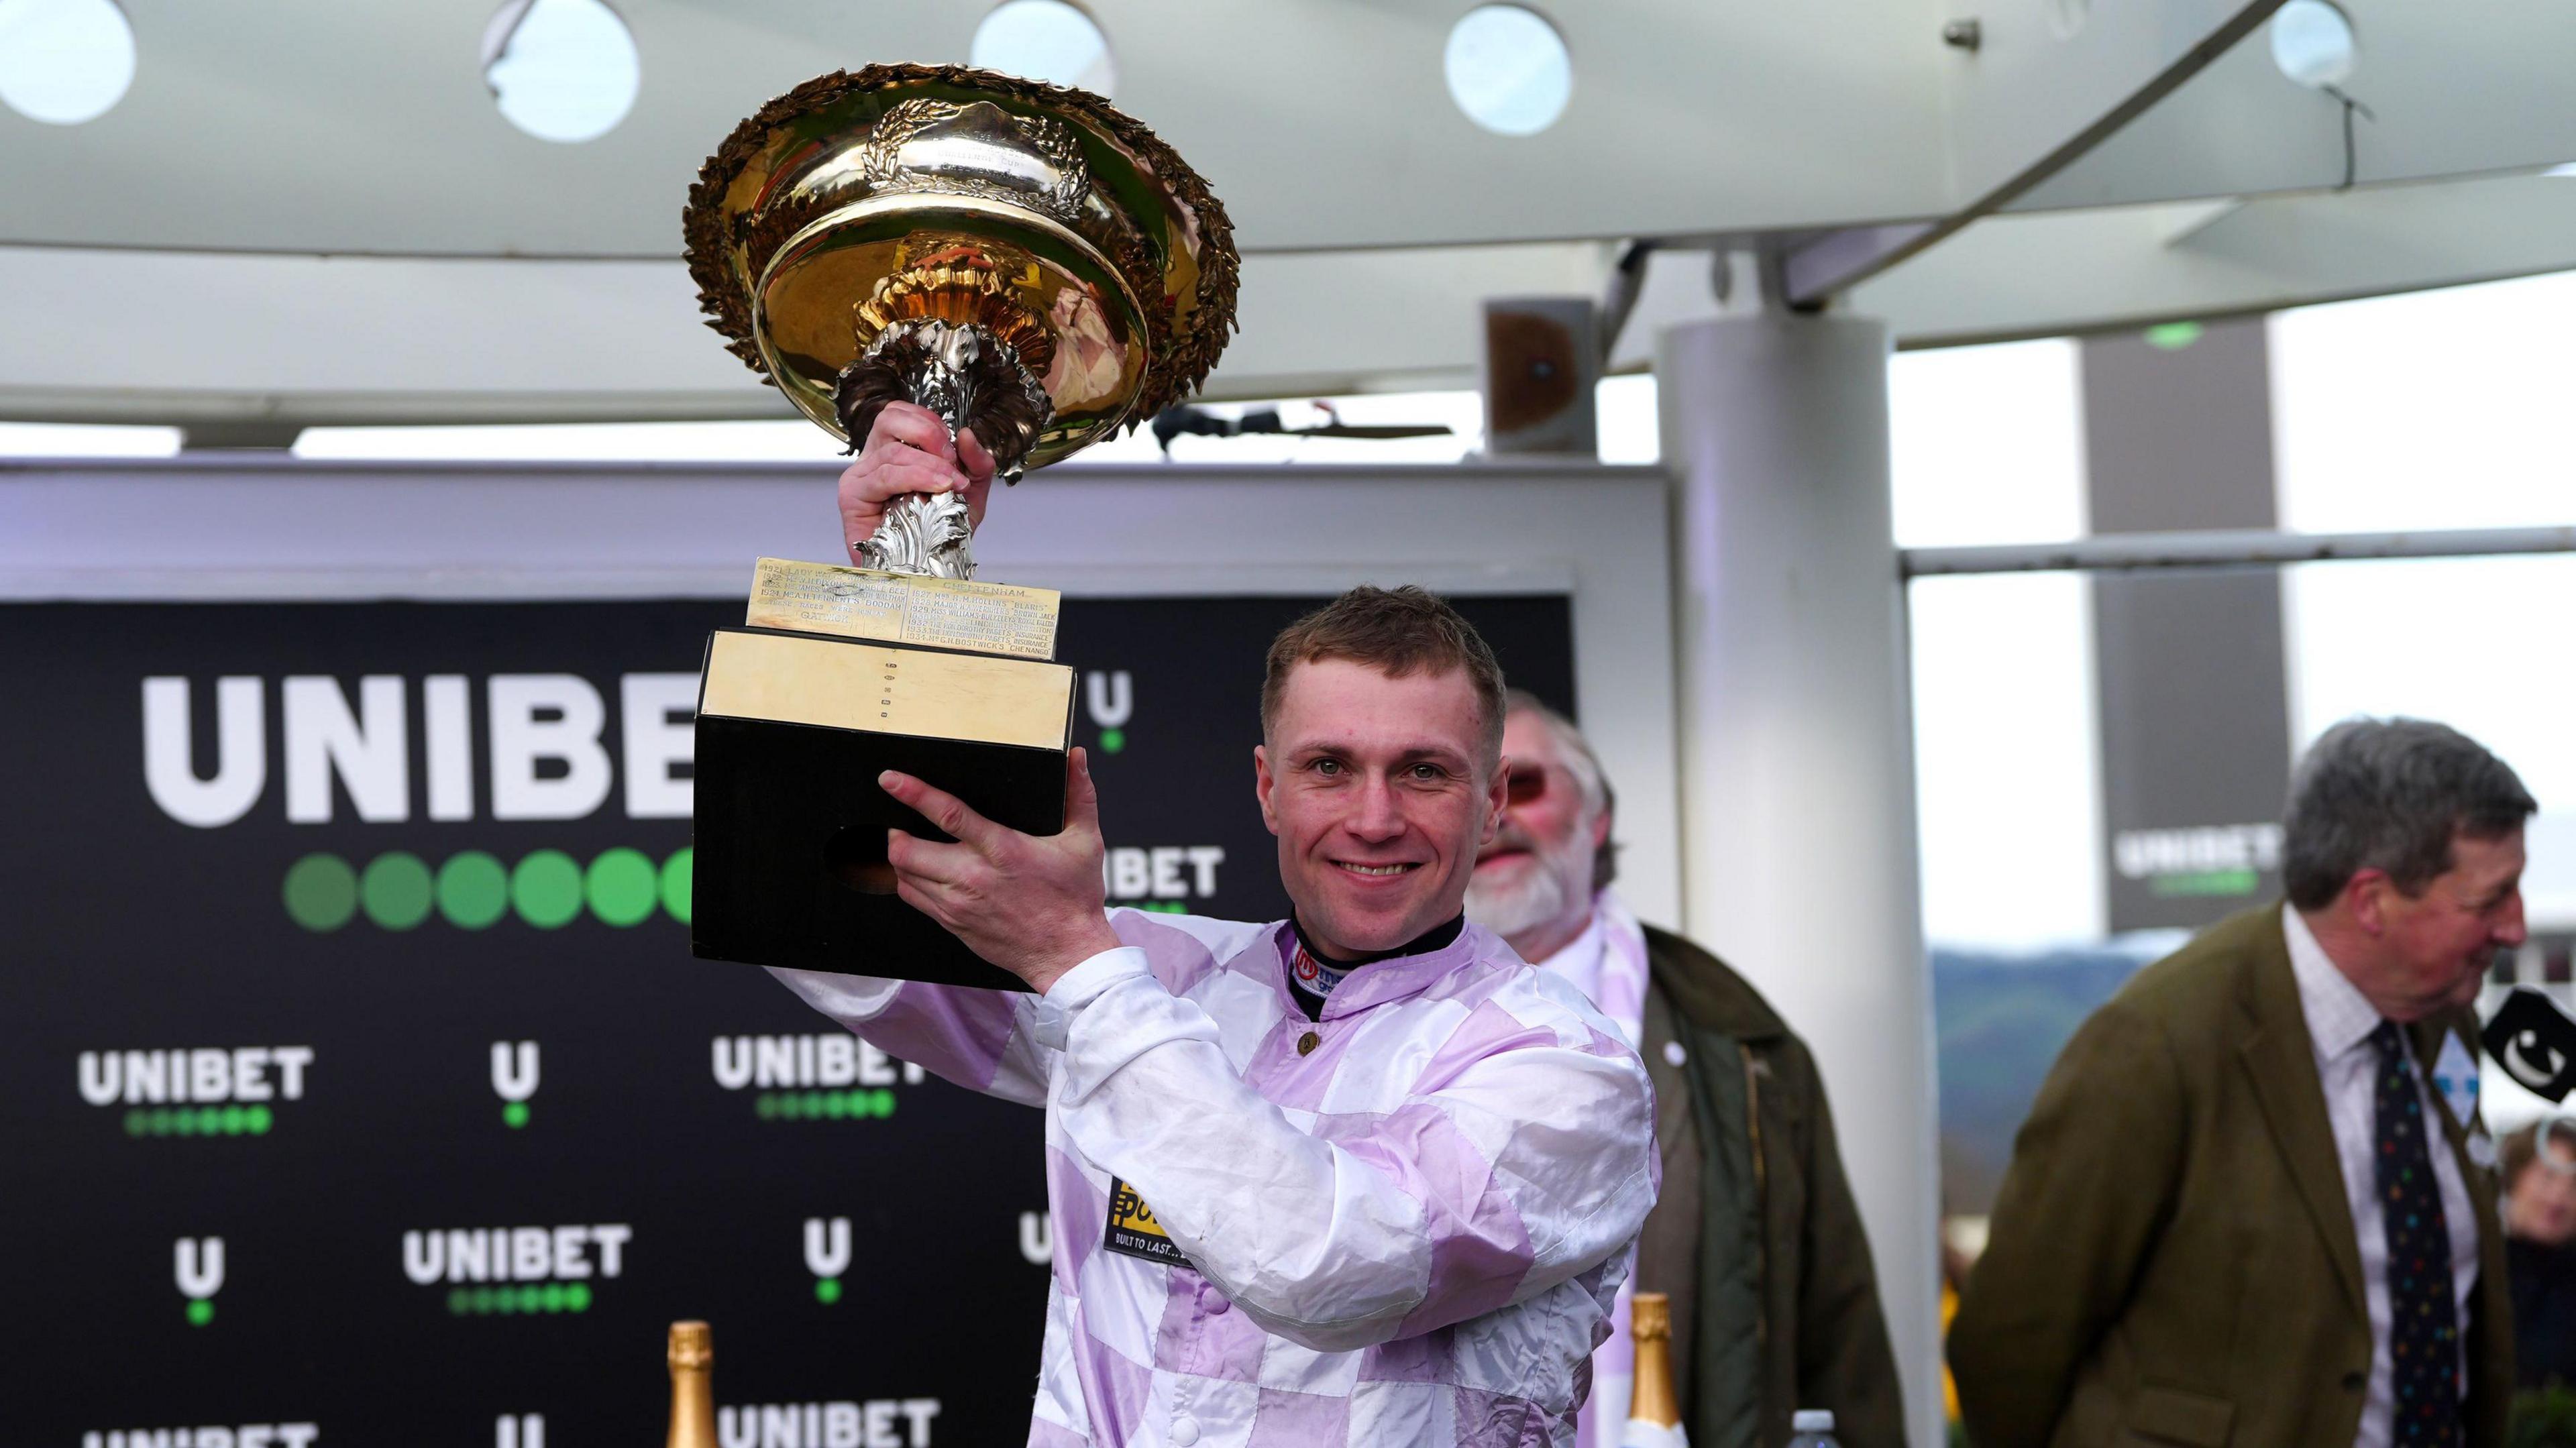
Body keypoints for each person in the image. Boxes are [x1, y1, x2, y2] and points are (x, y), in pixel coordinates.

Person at [771, 402, 1661, 1447]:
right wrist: (899, 591)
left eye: (1423, 770)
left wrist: (1076, 961)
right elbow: (823, 931)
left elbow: (1331, 1266)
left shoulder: (1571, 1068)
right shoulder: (1163, 971)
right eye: (1328, 766)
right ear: (1267, 787)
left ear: (1493, 799)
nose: (1374, 816)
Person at [1949, 717, 2533, 1448]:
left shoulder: (2446, 1022)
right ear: (2372, 900)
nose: (2515, 927)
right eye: (2490, 899)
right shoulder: (2156, 1046)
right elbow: (2010, 1341)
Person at [1464, 690, 1907, 1448]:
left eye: (1524, 785)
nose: (1496, 815)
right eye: (1470, 793)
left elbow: (1837, 1323)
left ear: (1596, 818)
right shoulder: (1359, 1027)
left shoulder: (1738, 1039)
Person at [2504, 1121, 2576, 1388]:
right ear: (2515, 1176)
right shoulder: (2475, 1271)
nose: (2559, 1198)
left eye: (2574, 1186)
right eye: (2548, 1177)